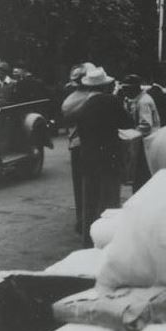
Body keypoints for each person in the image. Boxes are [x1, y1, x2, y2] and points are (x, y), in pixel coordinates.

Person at [75, 66, 133, 247]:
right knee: (108, 202)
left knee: (89, 203)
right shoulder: (111, 101)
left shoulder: (82, 103)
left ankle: (87, 242)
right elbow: (127, 122)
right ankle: (106, 243)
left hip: (87, 158)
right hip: (109, 157)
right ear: (105, 86)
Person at [61, 62, 97, 234]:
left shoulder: (71, 99)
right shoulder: (90, 98)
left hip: (76, 144)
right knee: (92, 184)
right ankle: (88, 220)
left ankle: (81, 219)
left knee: (80, 185)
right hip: (87, 144)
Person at [121, 74, 161, 192]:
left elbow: (146, 125)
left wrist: (129, 134)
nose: (125, 91)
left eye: (127, 89)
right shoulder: (133, 99)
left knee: (142, 174)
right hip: (140, 141)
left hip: (148, 141)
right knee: (137, 175)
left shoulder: (144, 101)